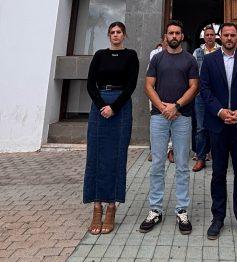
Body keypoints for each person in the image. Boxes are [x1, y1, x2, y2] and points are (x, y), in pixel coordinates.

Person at [199, 22, 237, 241]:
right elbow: (204, 90)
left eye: (233, 35)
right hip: (218, 125)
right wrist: (220, 111)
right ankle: (218, 218)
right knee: (218, 173)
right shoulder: (209, 60)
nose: (229, 38)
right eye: (225, 35)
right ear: (219, 37)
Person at [140, 21, 199, 235]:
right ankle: (155, 209)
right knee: (157, 163)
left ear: (182, 36)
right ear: (166, 36)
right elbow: (148, 85)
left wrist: (176, 106)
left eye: (177, 33)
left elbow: (194, 86)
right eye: (170, 32)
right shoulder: (157, 58)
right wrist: (163, 107)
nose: (174, 35)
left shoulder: (190, 59)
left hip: (182, 116)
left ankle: (182, 210)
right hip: (159, 116)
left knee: (182, 165)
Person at [83, 22, 140, 235]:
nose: (116, 35)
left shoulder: (131, 55)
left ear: (124, 35)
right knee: (96, 155)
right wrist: (102, 106)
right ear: (109, 35)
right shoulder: (99, 55)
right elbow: (90, 84)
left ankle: (112, 207)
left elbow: (131, 85)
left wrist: (114, 107)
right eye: (112, 32)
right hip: (99, 106)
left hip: (121, 107)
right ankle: (97, 206)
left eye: (119, 32)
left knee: (116, 156)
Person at [192, 26, 219, 172]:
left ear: (215, 36)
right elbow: (193, 72)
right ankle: (201, 158)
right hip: (201, 96)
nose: (209, 37)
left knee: (217, 127)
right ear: (204, 37)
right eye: (207, 35)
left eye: (211, 34)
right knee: (201, 128)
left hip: (217, 95)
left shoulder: (220, 51)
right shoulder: (198, 52)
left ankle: (218, 157)